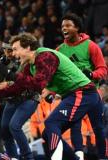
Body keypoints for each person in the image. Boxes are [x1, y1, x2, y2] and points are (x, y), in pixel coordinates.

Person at [0, 33, 107, 160]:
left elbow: (38, 84)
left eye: (16, 49)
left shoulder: (45, 56)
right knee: (51, 134)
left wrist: (9, 73)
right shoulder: (30, 66)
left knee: (51, 124)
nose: (14, 53)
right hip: (84, 93)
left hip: (81, 92)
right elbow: (17, 87)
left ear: (28, 47)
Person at [57, 13, 108, 160]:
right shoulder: (60, 50)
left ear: (77, 28)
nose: (64, 29)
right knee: (74, 125)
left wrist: (91, 75)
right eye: (62, 26)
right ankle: (78, 156)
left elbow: (103, 70)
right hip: (71, 93)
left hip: (91, 93)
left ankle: (103, 157)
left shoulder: (91, 46)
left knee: (98, 128)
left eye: (68, 26)